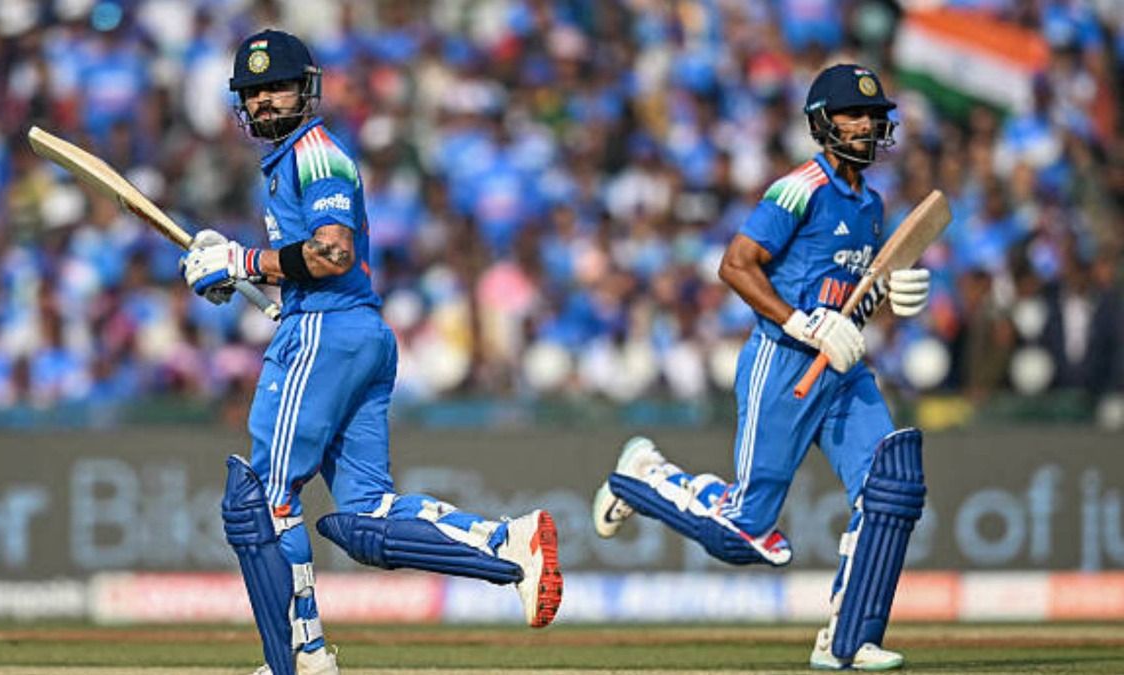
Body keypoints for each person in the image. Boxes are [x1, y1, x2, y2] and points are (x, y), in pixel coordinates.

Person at [180, 30, 562, 675]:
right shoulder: (289, 162)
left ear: (307, 88)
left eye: (277, 86)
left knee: (261, 502)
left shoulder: (317, 156)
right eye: (254, 91)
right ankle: (506, 542)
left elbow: (332, 253)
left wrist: (243, 260)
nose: (267, 100)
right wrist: (247, 278)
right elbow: (314, 264)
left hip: (329, 331)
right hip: (352, 328)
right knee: (365, 517)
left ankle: (299, 659)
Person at [591, 64, 930, 671]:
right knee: (743, 532)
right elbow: (736, 264)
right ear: (823, 122)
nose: (867, 125)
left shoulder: (873, 204)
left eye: (873, 115)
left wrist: (895, 295)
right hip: (785, 361)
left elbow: (852, 298)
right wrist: (800, 322)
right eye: (853, 113)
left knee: (893, 487)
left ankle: (849, 643)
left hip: (843, 373)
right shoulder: (797, 188)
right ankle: (644, 476)